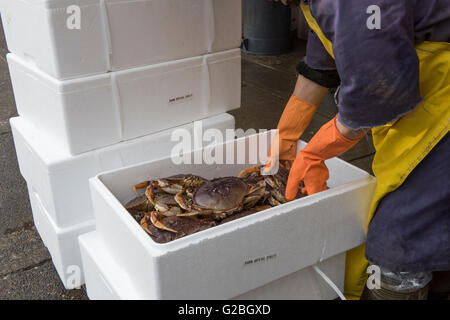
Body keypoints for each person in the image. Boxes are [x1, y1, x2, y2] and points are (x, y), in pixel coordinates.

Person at [269, 0, 450, 299]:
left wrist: (317, 150)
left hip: (438, 97)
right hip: (419, 90)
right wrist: (287, 134)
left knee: (400, 237)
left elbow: (380, 89)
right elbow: (323, 56)